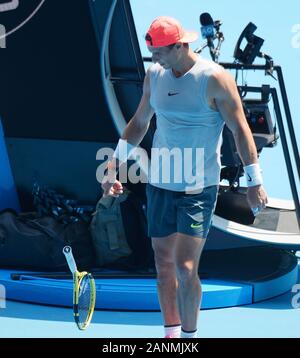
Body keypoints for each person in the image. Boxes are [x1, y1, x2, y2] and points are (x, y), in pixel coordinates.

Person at [101, 16, 268, 338]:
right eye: (152, 52)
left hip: (197, 188)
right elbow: (139, 123)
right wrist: (112, 165)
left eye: (160, 52)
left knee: (185, 267)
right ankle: (172, 336)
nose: (154, 59)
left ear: (180, 46)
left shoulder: (215, 79)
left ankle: (190, 338)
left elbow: (240, 130)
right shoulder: (155, 74)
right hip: (160, 183)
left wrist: (254, 182)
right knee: (163, 266)